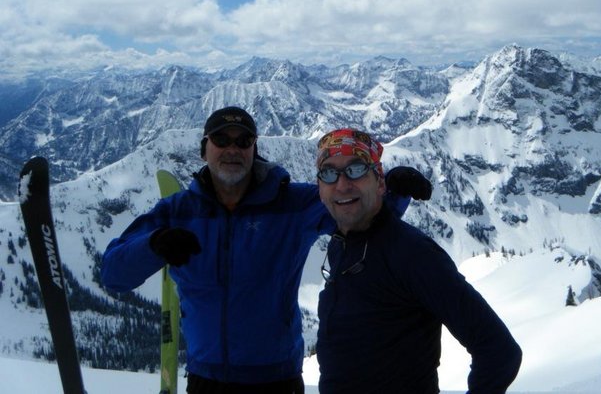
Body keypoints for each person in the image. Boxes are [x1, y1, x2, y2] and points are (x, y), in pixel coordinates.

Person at [101, 107, 431, 394]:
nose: (233, 149)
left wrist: (389, 193)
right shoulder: (178, 212)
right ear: (205, 150)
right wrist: (154, 244)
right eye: (222, 140)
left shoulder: (290, 204)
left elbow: (355, 214)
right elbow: (114, 274)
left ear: (254, 150)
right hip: (206, 380)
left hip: (277, 379)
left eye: (243, 141)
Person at [314, 128, 522, 394]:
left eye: (356, 169)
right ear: (320, 189)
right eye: (329, 173)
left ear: (379, 183)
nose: (342, 184)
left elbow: (500, 352)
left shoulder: (412, 254)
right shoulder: (343, 243)